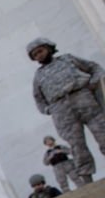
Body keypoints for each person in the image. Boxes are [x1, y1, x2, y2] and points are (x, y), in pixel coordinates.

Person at [29, 37, 104, 183]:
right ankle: (86, 177)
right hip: (61, 111)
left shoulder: (68, 59)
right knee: (77, 145)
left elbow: (94, 67)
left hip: (83, 99)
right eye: (35, 54)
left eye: (40, 51)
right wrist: (48, 109)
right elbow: (38, 98)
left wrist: (94, 82)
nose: (39, 55)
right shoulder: (38, 76)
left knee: (103, 133)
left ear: (48, 48)